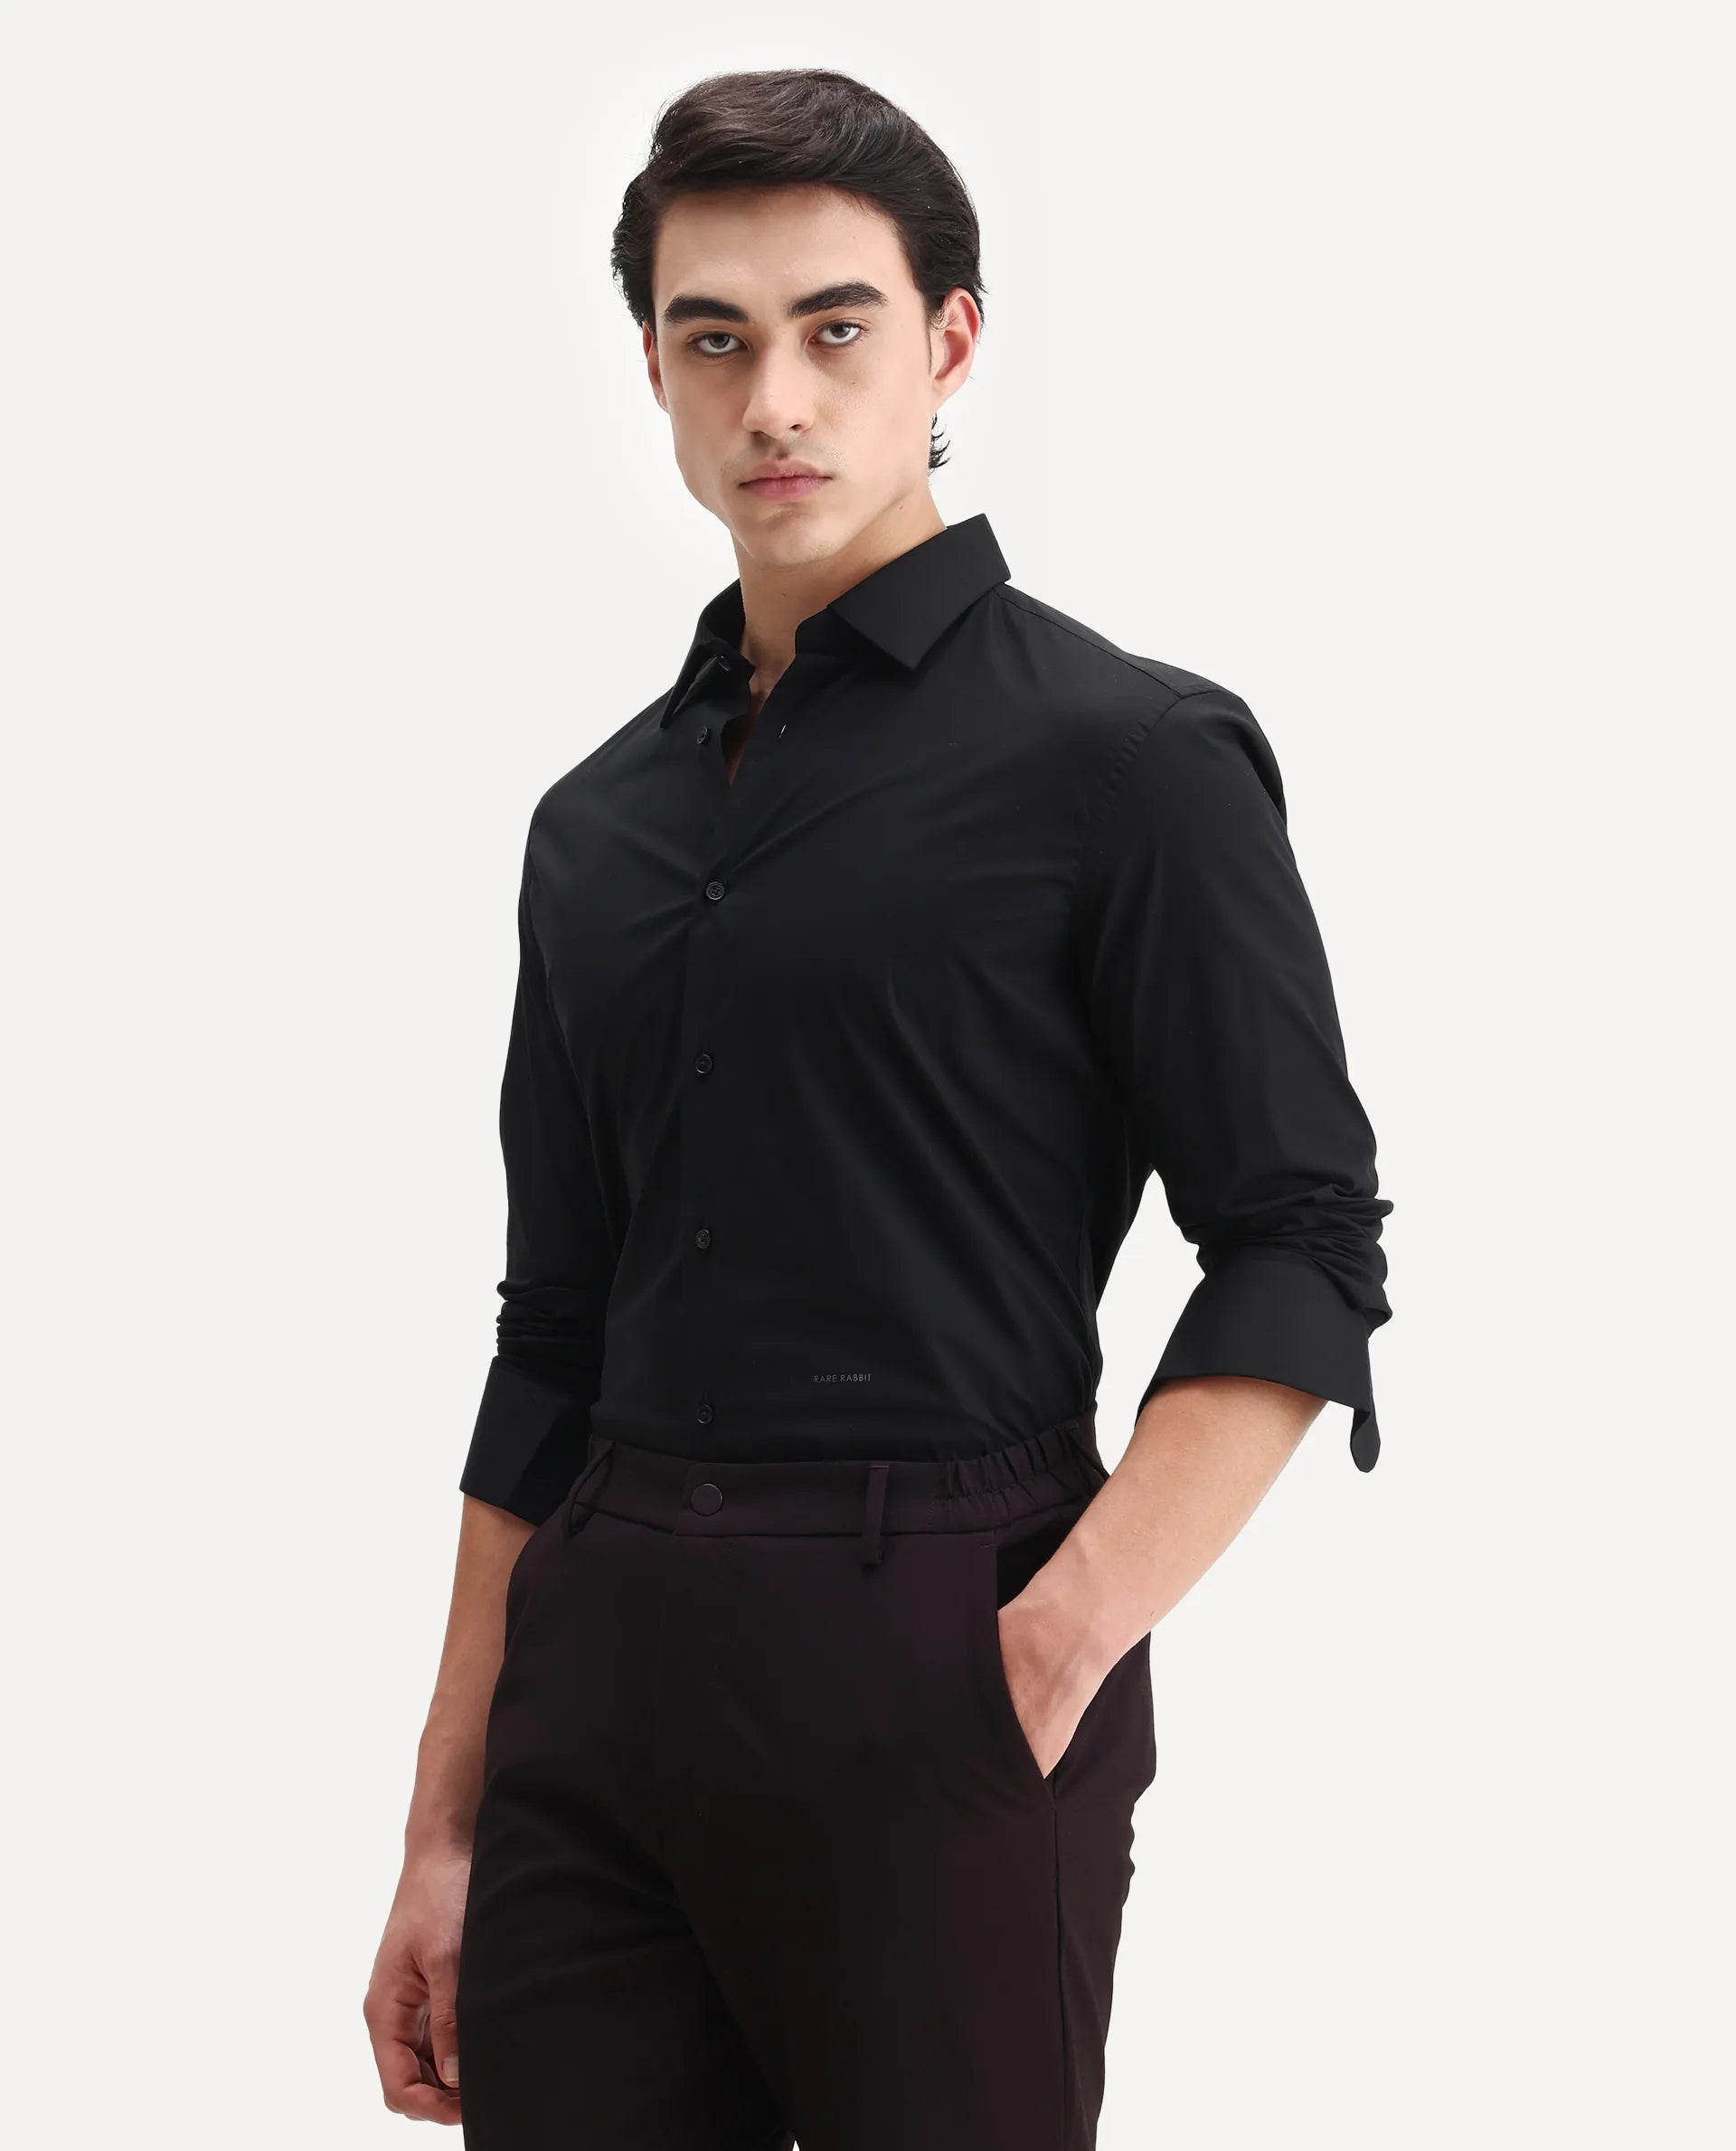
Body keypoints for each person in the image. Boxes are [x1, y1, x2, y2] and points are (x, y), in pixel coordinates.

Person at [363, 65, 1392, 2150]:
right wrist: (443, 1823)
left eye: (836, 328)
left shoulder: (1128, 759)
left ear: (950, 341)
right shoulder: (596, 826)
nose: (775, 401)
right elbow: (548, 1336)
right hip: (601, 1677)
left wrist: (1052, 1644)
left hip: (939, 1642)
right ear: (652, 368)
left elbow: (1296, 1237)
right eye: (713, 338)